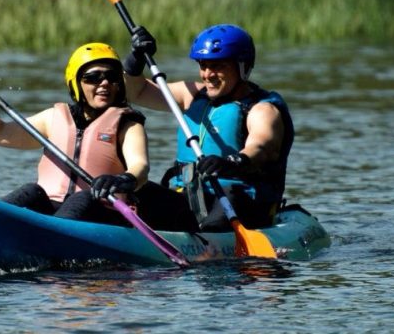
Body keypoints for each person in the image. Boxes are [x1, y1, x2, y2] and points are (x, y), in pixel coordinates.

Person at [0, 43, 165, 226]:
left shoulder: (128, 124)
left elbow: (140, 167)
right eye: (93, 78)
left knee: (83, 198)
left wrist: (123, 180)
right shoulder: (54, 118)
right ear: (76, 83)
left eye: (111, 77)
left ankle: (44, 238)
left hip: (102, 214)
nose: (104, 83)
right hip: (53, 213)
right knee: (31, 192)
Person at [121, 24, 295, 232]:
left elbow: (262, 147)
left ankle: (208, 247)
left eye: (217, 66)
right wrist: (136, 60)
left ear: (242, 67)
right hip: (189, 195)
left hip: (238, 200)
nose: (207, 74)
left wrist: (231, 161)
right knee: (139, 194)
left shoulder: (262, 109)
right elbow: (135, 92)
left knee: (220, 213)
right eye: (203, 65)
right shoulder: (191, 95)